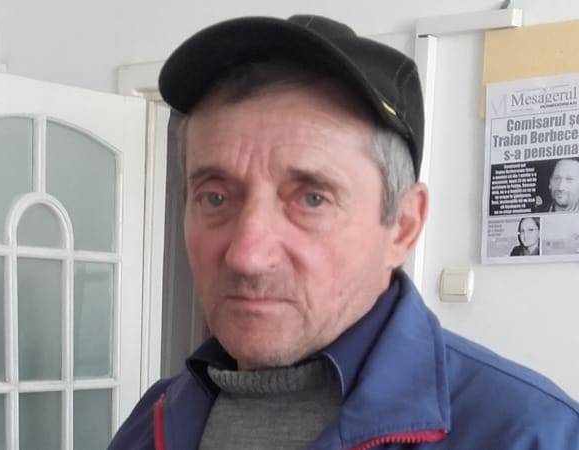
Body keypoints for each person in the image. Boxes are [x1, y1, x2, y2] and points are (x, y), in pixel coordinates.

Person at [109, 15, 579, 450]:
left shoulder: (535, 434)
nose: (247, 255)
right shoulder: (153, 419)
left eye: (312, 198)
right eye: (215, 197)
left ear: (404, 225)